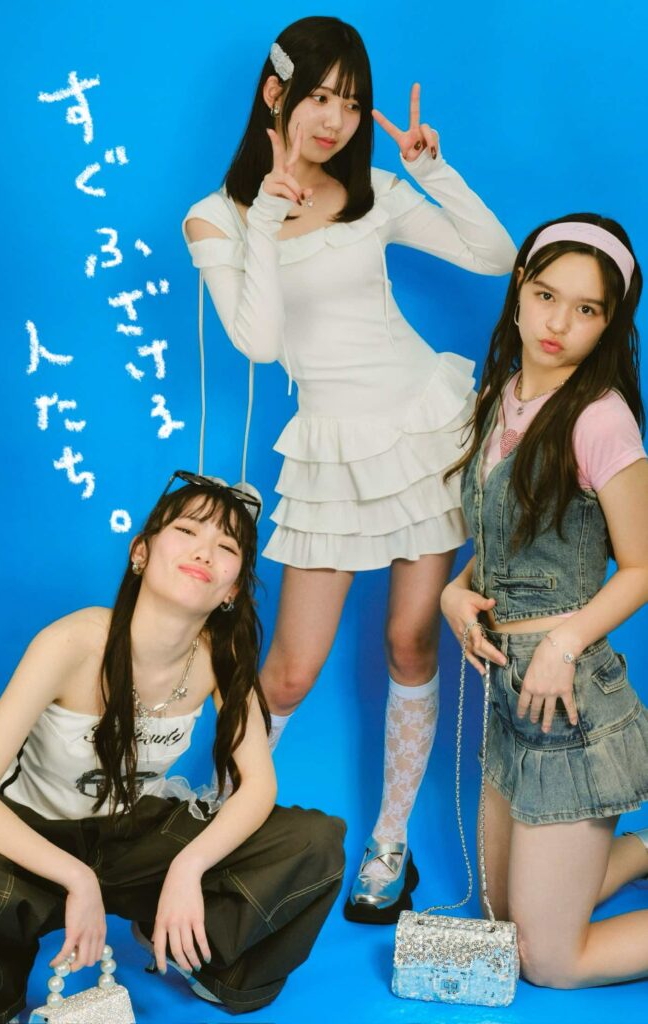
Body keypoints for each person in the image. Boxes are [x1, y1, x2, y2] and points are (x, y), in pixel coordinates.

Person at [183, 15, 515, 923]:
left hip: (421, 431)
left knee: (411, 641)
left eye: (354, 103)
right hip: (331, 450)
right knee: (289, 671)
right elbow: (258, 342)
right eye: (320, 96)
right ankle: (212, 822)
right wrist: (265, 215)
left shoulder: (374, 190)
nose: (335, 120)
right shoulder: (216, 216)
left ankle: (390, 844)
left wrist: (431, 168)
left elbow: (495, 256)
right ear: (275, 93)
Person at [0, 473, 345, 1023]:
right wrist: (77, 877)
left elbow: (258, 786)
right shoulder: (73, 641)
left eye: (227, 547)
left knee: (314, 841)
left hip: (133, 839)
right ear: (140, 552)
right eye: (187, 531)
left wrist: (188, 868)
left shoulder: (220, 658)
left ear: (232, 590)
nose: (204, 552)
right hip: (34, 839)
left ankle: (193, 954)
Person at [441, 213, 648, 987]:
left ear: (609, 322)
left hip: (568, 699)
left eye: (587, 309)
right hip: (508, 691)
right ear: (520, 291)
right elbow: (504, 538)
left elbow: (642, 566)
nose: (559, 324)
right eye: (547, 296)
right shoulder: (501, 394)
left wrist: (562, 645)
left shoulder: (600, 419)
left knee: (548, 963)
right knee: (501, 925)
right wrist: (454, 592)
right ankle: (641, 852)